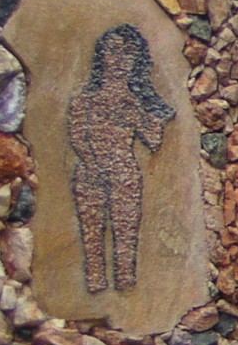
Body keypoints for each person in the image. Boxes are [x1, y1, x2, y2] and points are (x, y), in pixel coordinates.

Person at [67, 25, 175, 293]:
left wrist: (148, 117)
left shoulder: (134, 103)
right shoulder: (85, 100)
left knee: (126, 232)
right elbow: (78, 137)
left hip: (125, 174)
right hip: (90, 174)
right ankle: (95, 280)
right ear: (102, 55)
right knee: (92, 233)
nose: (119, 60)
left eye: (128, 53)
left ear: (136, 60)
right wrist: (94, 164)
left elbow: (153, 140)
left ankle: (125, 281)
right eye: (113, 51)